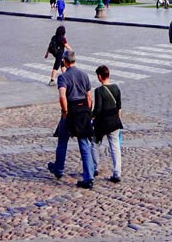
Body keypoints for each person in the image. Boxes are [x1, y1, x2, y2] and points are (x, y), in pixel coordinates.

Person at [47, 50, 95, 188]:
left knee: (62, 140)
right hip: (83, 111)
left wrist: (65, 111)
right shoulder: (84, 75)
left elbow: (62, 96)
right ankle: (89, 177)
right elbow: (89, 97)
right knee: (84, 143)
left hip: (70, 110)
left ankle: (59, 169)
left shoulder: (63, 77)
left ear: (64, 61)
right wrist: (88, 112)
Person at [91, 65, 123, 183]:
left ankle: (94, 167)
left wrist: (91, 117)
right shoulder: (116, 88)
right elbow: (119, 106)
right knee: (115, 147)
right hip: (114, 122)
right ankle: (117, 172)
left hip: (101, 124)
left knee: (95, 144)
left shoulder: (99, 91)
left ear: (99, 77)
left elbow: (98, 109)